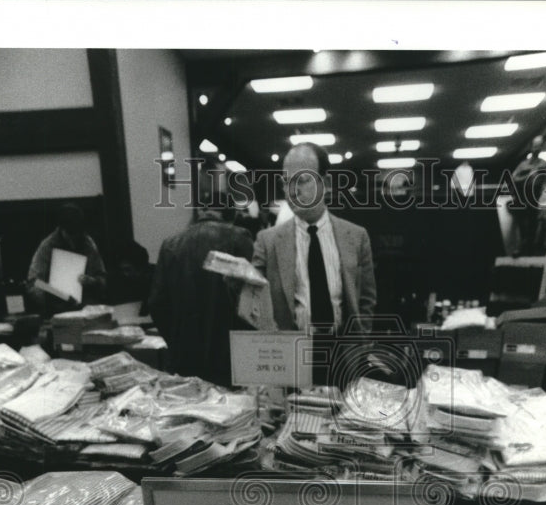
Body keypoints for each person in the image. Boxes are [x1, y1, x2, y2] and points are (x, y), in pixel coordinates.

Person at [252, 142, 376, 385]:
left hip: (343, 354)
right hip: (290, 356)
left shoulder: (356, 237)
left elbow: (367, 300)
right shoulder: (267, 242)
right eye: (287, 182)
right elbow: (254, 301)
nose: (292, 191)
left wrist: (360, 341)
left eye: (302, 181)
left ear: (325, 183)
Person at [148, 203, 254, 387]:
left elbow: (157, 303)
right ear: (231, 215)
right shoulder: (239, 238)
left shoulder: (171, 243)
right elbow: (252, 297)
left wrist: (176, 339)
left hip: (184, 354)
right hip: (230, 353)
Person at [26, 202, 108, 315]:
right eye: (70, 234)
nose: (73, 240)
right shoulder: (47, 246)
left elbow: (102, 278)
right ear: (61, 229)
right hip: (56, 309)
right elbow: (34, 282)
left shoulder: (88, 244)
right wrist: (54, 293)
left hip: (86, 309)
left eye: (77, 234)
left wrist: (93, 282)